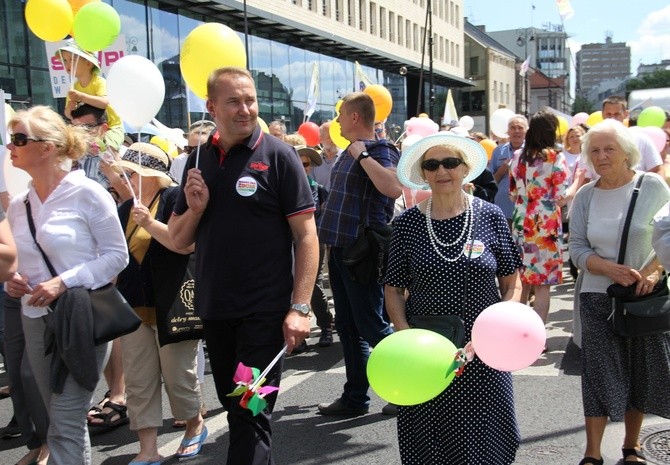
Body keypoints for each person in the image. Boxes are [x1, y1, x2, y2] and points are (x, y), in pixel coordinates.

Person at [168, 67, 318, 465]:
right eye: (233, 101)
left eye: (250, 99)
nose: (245, 109)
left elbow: (307, 237)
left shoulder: (279, 156)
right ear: (211, 106)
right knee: (236, 411)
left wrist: (300, 307)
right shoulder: (196, 160)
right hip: (216, 311)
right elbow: (179, 240)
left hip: (263, 314)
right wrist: (196, 209)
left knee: (251, 412)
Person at [387, 133, 522, 464]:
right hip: (426, 350)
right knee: (429, 437)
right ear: (424, 173)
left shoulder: (490, 216)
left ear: (465, 169)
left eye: (450, 163)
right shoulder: (406, 224)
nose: (442, 171)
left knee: (487, 436)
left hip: (483, 350)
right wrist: (404, 335)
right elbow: (392, 289)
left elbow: (512, 281)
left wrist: (502, 322)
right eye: (432, 165)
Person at [5, 105, 128, 465]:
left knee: (65, 419)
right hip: (34, 318)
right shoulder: (18, 205)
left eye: (19, 139)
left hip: (83, 318)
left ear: (47, 148)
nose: (10, 146)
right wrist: (13, 281)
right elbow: (19, 264)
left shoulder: (88, 193)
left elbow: (116, 257)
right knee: (56, 417)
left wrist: (64, 282)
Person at [569, 119, 670, 465]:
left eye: (608, 148)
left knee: (640, 370)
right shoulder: (585, 195)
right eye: (594, 150)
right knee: (597, 373)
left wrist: (654, 270)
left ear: (627, 152)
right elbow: (577, 249)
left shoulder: (653, 185)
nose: (601, 155)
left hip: (642, 295)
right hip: (597, 295)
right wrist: (608, 267)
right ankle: (592, 453)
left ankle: (631, 446)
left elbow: (668, 236)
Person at [112, 143, 206, 464]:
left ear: (148, 175)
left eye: (131, 172)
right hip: (133, 307)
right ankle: (148, 448)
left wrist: (150, 223)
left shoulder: (174, 198)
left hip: (174, 305)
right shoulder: (124, 209)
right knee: (139, 379)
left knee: (178, 375)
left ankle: (194, 426)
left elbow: (186, 246)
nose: (124, 178)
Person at [316, 92, 402, 417]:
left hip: (361, 252)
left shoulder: (380, 149)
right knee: (349, 327)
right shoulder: (346, 153)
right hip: (340, 250)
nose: (337, 121)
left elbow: (393, 188)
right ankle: (355, 398)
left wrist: (364, 157)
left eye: (341, 115)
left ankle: (410, 387)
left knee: (372, 325)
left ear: (354, 118)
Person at [68, 103, 130, 430]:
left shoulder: (114, 159)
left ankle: (119, 394)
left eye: (87, 127)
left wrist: (113, 172)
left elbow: (131, 199)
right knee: (89, 326)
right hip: (75, 257)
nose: (79, 133)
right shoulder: (68, 160)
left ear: (103, 129)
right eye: (74, 126)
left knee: (108, 320)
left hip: (108, 253)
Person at [509, 111, 568, 325]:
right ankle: (538, 335)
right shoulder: (554, 157)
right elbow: (561, 195)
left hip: (521, 219)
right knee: (542, 285)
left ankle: (518, 332)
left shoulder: (518, 156)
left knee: (521, 282)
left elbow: (513, 192)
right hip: (545, 223)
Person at [295, 143, 333, 348]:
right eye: (299, 163)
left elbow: (325, 218)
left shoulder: (319, 190)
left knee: (314, 285)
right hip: (288, 244)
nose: (304, 167)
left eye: (307, 164)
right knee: (291, 286)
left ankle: (326, 325)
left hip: (313, 243)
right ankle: (300, 335)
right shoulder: (282, 187)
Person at [57, 39, 124, 150]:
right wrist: (69, 109)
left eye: (72, 60)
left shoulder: (99, 82)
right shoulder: (73, 88)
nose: (67, 64)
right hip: (88, 130)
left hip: (111, 127)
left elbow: (104, 103)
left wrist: (81, 97)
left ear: (88, 63)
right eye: (64, 60)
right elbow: (70, 116)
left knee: (109, 148)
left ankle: (114, 164)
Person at [602, 95, 665, 177]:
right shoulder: (593, 142)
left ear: (626, 114)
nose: (612, 118)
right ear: (602, 115)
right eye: (608, 114)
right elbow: (586, 177)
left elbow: (658, 170)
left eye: (617, 114)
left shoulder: (641, 139)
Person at [488, 115, 528, 228]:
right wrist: (502, 170)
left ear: (526, 131)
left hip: (526, 207)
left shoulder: (532, 151)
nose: (516, 131)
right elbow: (491, 181)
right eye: (512, 127)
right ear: (507, 131)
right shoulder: (498, 151)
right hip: (503, 207)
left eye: (520, 128)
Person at [311, 120, 341, 190]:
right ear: (321, 139)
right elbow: (312, 185)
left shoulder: (347, 157)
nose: (334, 139)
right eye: (330, 136)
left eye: (335, 135)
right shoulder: (314, 161)